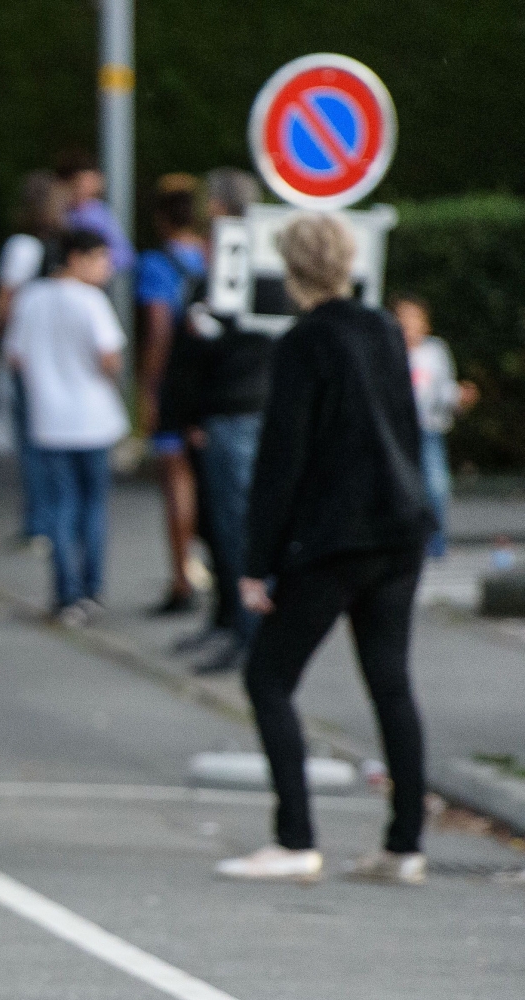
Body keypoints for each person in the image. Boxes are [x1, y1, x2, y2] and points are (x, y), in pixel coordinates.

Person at [218, 214, 433, 886]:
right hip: (400, 526)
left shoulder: (303, 343)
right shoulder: (382, 329)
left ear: (291, 271)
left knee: (269, 678)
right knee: (391, 682)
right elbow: (405, 426)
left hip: (334, 536)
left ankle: (295, 838)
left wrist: (257, 561)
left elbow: (284, 458)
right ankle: (403, 845)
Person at [158, 167, 274, 675]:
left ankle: (247, 634)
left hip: (233, 411)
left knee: (237, 527)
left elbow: (214, 343)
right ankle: (230, 620)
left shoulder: (236, 264)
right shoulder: (257, 260)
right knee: (223, 525)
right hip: (228, 410)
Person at [4, 229, 128, 624]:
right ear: (76, 257)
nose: (106, 268)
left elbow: (16, 357)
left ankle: (66, 594)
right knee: (92, 505)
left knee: (60, 506)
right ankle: (92, 589)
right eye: (100, 258)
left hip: (48, 420)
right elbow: (110, 358)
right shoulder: (92, 301)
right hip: (94, 419)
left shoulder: (31, 297)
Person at [136, 179, 209, 616]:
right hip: (216, 379)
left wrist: (149, 390)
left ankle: (183, 576)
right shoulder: (212, 252)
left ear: (161, 218)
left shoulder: (157, 262)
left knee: (177, 479)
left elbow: (159, 328)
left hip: (179, 383)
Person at [0, 171, 69, 546]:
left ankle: (39, 520)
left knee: (31, 440)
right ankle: (56, 516)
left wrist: (5, 339)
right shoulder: (61, 246)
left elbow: (5, 300)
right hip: (58, 351)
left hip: (27, 352)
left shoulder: (21, 246)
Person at [393, 294, 479, 560]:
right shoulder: (387, 349)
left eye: (414, 319)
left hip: (427, 430)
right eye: (402, 319)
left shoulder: (435, 351)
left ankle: (435, 542)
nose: (408, 326)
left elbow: (444, 391)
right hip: (396, 432)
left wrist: (460, 398)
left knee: (436, 486)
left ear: (426, 325)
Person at [54, 149, 134, 275]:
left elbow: (124, 255)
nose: (83, 191)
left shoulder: (99, 213)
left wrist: (95, 264)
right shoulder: (57, 213)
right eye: (78, 185)